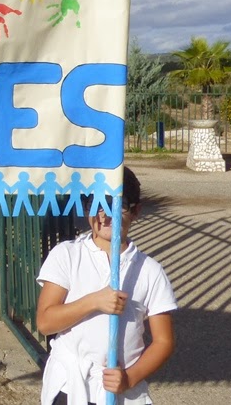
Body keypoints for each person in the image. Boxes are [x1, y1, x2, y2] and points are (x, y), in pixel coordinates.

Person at [36, 167, 176, 405]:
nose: (105, 215)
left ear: (136, 211)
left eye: (118, 206)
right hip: (70, 387)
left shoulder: (150, 270)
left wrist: (130, 378)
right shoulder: (67, 255)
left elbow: (164, 341)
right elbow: (45, 322)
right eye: (96, 205)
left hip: (120, 392)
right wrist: (93, 302)